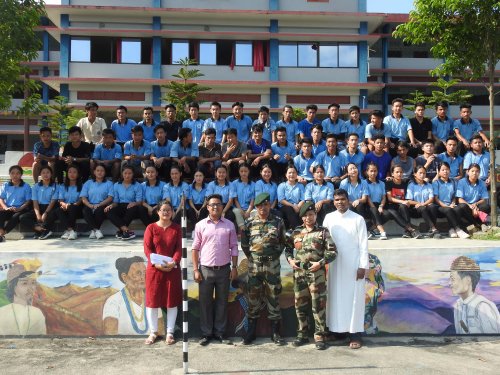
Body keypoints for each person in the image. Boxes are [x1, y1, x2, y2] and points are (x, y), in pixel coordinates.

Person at [286, 201, 337, 350]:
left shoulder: (323, 232)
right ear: (301, 218)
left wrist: (320, 263)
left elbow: (333, 252)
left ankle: (320, 335)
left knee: (318, 305)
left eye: (311, 215)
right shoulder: (295, 232)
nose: (308, 218)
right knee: (300, 305)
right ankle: (302, 334)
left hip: (317, 274)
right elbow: (288, 249)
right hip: (299, 274)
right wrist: (290, 260)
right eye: (305, 215)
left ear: (315, 215)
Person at [323, 188, 369, 349]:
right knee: (335, 298)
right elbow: (322, 242)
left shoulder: (358, 219)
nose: (340, 202)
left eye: (342, 199)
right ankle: (337, 332)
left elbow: (364, 245)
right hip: (334, 266)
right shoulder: (329, 218)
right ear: (333, 202)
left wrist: (363, 266)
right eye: (336, 200)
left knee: (353, 299)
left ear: (348, 200)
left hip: (353, 266)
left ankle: (355, 334)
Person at [192, 194, 239, 346]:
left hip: (224, 269)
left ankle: (220, 333)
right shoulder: (200, 225)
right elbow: (195, 248)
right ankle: (206, 333)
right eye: (212, 205)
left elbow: (234, 247)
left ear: (222, 206)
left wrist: (234, 267)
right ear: (207, 207)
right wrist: (195, 269)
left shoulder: (229, 225)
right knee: (205, 303)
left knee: (222, 302)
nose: (215, 207)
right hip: (205, 269)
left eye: (218, 204)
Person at [241, 192, 287, 345]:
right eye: (260, 206)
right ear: (256, 207)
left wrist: (272, 256)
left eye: (266, 205)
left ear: (269, 206)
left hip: (272, 266)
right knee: (253, 298)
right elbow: (245, 245)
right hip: (254, 266)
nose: (263, 208)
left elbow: (282, 242)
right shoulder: (249, 223)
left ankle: (275, 333)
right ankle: (251, 332)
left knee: (273, 297)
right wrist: (254, 258)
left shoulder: (278, 222)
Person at [143, 200, 182, 345]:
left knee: (171, 301)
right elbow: (147, 249)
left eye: (168, 210)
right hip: (154, 270)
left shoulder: (177, 228)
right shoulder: (151, 228)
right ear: (158, 212)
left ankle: (170, 332)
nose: (166, 212)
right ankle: (153, 332)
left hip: (172, 269)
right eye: (163, 210)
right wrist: (156, 264)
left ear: (172, 212)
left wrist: (174, 262)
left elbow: (179, 248)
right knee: (152, 301)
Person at [448, 256, 500, 334]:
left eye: (452, 279)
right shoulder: (457, 306)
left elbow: (493, 340)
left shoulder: (482, 306)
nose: (449, 283)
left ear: (467, 280)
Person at [103, 256, 151, 335]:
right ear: (124, 277)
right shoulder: (113, 302)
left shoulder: (152, 299)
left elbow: (159, 330)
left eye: (145, 273)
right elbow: (110, 335)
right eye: (138, 273)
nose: (143, 277)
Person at [0, 262, 46, 335]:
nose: (30, 288)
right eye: (24, 283)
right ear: (13, 286)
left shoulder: (37, 313)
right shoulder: (2, 313)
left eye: (33, 283)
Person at [432, 162, 470, 239]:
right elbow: (436, 199)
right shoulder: (436, 183)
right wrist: (446, 206)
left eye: (447, 169)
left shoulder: (453, 181)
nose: (445, 171)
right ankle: (458, 229)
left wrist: (452, 203)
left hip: (451, 205)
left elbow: (454, 195)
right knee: (448, 210)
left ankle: (451, 229)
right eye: (443, 170)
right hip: (440, 206)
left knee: (458, 208)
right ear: (439, 171)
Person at [105, 165, 143, 240]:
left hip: (132, 207)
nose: (127, 175)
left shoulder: (137, 185)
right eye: (125, 173)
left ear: (133, 174)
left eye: (130, 173)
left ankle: (121, 231)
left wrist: (134, 203)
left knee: (133, 208)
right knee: (108, 210)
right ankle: (126, 230)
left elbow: (139, 201)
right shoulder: (116, 185)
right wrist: (111, 205)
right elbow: (116, 201)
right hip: (120, 206)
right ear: (122, 173)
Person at [385, 165, 422, 239]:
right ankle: (411, 229)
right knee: (393, 211)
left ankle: (407, 232)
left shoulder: (406, 182)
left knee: (403, 206)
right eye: (397, 172)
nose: (399, 174)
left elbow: (417, 178)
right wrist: (402, 201)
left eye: (401, 172)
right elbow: (390, 198)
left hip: (402, 206)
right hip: (391, 205)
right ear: (392, 174)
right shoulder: (389, 183)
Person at [80, 164, 113, 240]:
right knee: (85, 210)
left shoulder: (109, 183)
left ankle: (93, 231)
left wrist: (100, 204)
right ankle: (96, 230)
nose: (100, 172)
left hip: (102, 204)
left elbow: (110, 197)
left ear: (105, 172)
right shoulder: (88, 183)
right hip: (90, 204)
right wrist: (89, 205)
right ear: (94, 172)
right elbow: (83, 197)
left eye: (102, 171)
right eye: (97, 170)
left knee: (100, 210)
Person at [406, 165, 440, 238]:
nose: (422, 175)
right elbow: (409, 200)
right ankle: (434, 229)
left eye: (424, 173)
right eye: (420, 173)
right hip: (415, 209)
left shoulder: (429, 185)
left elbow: (431, 199)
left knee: (433, 206)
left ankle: (431, 229)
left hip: (425, 206)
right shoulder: (411, 185)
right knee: (422, 208)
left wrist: (423, 204)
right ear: (415, 174)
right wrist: (418, 204)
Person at [455, 163, 490, 233]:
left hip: (476, 205)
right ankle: (478, 224)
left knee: (486, 207)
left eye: (477, 171)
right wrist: (470, 206)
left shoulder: (482, 183)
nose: (475, 173)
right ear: (468, 172)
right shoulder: (462, 182)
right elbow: (459, 199)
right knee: (462, 207)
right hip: (466, 205)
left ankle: (478, 224)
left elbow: (484, 199)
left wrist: (475, 205)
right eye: (472, 171)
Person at [0, 165, 32, 242]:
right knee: (1, 213)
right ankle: (1, 232)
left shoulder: (26, 186)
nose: (15, 175)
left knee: (16, 216)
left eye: (18, 173)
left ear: (21, 175)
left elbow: (28, 201)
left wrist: (20, 208)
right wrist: (5, 208)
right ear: (10, 174)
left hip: (21, 208)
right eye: (12, 173)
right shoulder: (6, 185)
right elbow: (1, 198)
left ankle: (3, 234)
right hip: (8, 208)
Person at [27, 165, 58, 240]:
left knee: (51, 215)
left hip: (50, 207)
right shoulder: (36, 186)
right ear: (40, 174)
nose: (45, 174)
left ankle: (45, 231)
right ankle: (38, 229)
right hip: (38, 207)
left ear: (51, 174)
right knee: (23, 217)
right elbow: (35, 201)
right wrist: (38, 214)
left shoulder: (56, 186)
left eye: (48, 172)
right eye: (43, 173)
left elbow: (53, 201)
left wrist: (45, 213)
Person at [56, 164, 83, 240]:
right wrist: (64, 205)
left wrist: (72, 205)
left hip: (77, 207)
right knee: (58, 210)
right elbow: (61, 200)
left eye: (74, 172)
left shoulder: (81, 186)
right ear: (67, 174)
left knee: (72, 208)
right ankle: (71, 231)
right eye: (70, 172)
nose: (72, 174)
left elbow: (81, 199)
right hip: (66, 206)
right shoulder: (62, 186)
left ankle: (69, 231)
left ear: (78, 174)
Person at [365, 163, 388, 240]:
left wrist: (381, 206)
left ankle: (370, 228)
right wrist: (374, 207)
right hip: (368, 205)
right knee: (374, 210)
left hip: (379, 204)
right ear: (367, 172)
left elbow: (384, 197)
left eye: (375, 171)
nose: (373, 173)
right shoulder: (364, 183)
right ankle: (382, 231)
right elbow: (367, 197)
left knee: (387, 214)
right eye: (371, 171)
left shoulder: (382, 183)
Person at [277, 165, 305, 229]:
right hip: (285, 207)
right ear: (286, 175)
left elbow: (303, 199)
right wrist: (293, 206)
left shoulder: (300, 186)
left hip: (298, 205)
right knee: (289, 209)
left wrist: (298, 206)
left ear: (297, 174)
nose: (292, 174)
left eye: (294, 172)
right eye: (289, 173)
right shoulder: (282, 186)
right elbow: (281, 200)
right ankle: (297, 229)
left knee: (305, 209)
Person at [230, 163, 255, 233]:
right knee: (237, 212)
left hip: (249, 207)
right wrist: (241, 209)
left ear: (249, 172)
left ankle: (253, 232)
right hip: (237, 207)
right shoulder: (234, 183)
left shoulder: (253, 184)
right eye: (241, 171)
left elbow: (252, 199)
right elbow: (235, 199)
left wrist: (248, 211)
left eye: (245, 171)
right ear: (239, 172)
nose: (243, 173)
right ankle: (243, 231)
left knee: (255, 212)